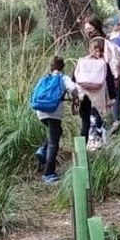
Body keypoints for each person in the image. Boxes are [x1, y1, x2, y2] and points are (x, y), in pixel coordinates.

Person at [29, 56, 77, 184]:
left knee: (56, 132)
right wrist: (75, 98)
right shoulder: (63, 78)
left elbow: (34, 93)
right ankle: (48, 174)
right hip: (54, 113)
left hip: (41, 112)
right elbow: (73, 89)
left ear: (51, 67)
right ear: (62, 67)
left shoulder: (44, 78)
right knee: (53, 143)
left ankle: (42, 150)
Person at [84, 17, 120, 125]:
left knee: (108, 96)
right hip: (108, 72)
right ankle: (114, 119)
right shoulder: (105, 39)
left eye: (90, 28)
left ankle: (109, 120)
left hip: (105, 72)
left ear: (96, 27)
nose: (88, 31)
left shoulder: (98, 42)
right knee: (113, 95)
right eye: (86, 29)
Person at [73, 37, 113, 149]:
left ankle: (84, 146)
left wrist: (74, 96)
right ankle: (98, 140)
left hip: (83, 96)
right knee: (99, 117)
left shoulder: (81, 62)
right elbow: (109, 81)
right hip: (99, 96)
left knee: (86, 121)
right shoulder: (104, 63)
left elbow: (74, 78)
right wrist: (112, 96)